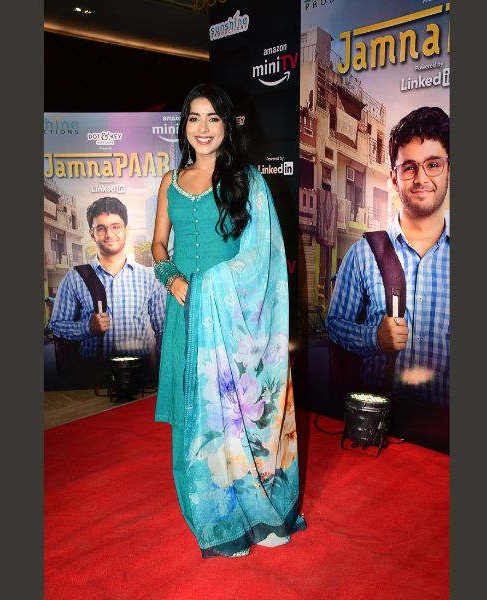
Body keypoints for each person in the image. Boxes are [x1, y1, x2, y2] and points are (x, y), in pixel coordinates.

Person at [151, 82, 305, 558]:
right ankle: (214, 520)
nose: (203, 128)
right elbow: (157, 245)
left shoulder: (247, 180)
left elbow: (264, 254)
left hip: (236, 318)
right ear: (184, 126)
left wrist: (212, 285)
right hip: (186, 314)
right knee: (193, 416)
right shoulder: (170, 181)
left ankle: (257, 509)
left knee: (240, 415)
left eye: (213, 118)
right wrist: (171, 277)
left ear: (227, 125)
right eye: (194, 118)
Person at [325, 106, 450, 412]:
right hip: (379, 421)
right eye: (409, 167)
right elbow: (334, 326)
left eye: (433, 164)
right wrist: (373, 338)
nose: (421, 178)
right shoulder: (363, 254)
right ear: (394, 178)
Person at [49, 196, 166, 387]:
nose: (109, 234)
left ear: (127, 229)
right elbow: (56, 326)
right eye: (101, 228)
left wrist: (161, 373)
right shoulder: (75, 278)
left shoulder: (150, 277)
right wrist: (86, 328)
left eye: (116, 226)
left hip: (139, 376)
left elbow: (163, 331)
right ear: (92, 233)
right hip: (91, 379)